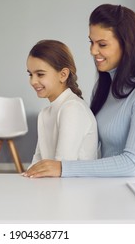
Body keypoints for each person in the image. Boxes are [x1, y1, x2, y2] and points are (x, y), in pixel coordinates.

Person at [24, 4, 135, 178]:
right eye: (91, 42)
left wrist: (63, 168)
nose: (93, 51)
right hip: (105, 186)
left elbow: (132, 164)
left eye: (102, 44)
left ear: (126, 44)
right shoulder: (104, 87)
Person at [26, 40, 98, 169]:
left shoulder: (72, 108)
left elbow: (63, 167)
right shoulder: (45, 113)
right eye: (30, 74)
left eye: (40, 74)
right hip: (53, 185)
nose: (33, 81)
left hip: (75, 187)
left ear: (63, 75)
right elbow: (37, 161)